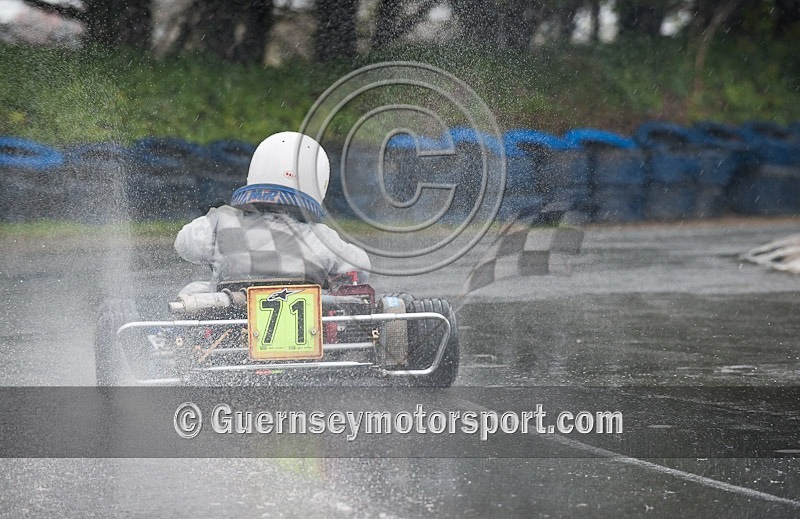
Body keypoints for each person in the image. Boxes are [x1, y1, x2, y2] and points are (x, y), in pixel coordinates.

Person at [174, 131, 370, 294]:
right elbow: (360, 267)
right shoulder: (322, 236)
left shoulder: (221, 220)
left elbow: (183, 244)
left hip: (232, 323)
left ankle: (182, 341)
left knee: (193, 292)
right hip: (309, 330)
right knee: (336, 298)